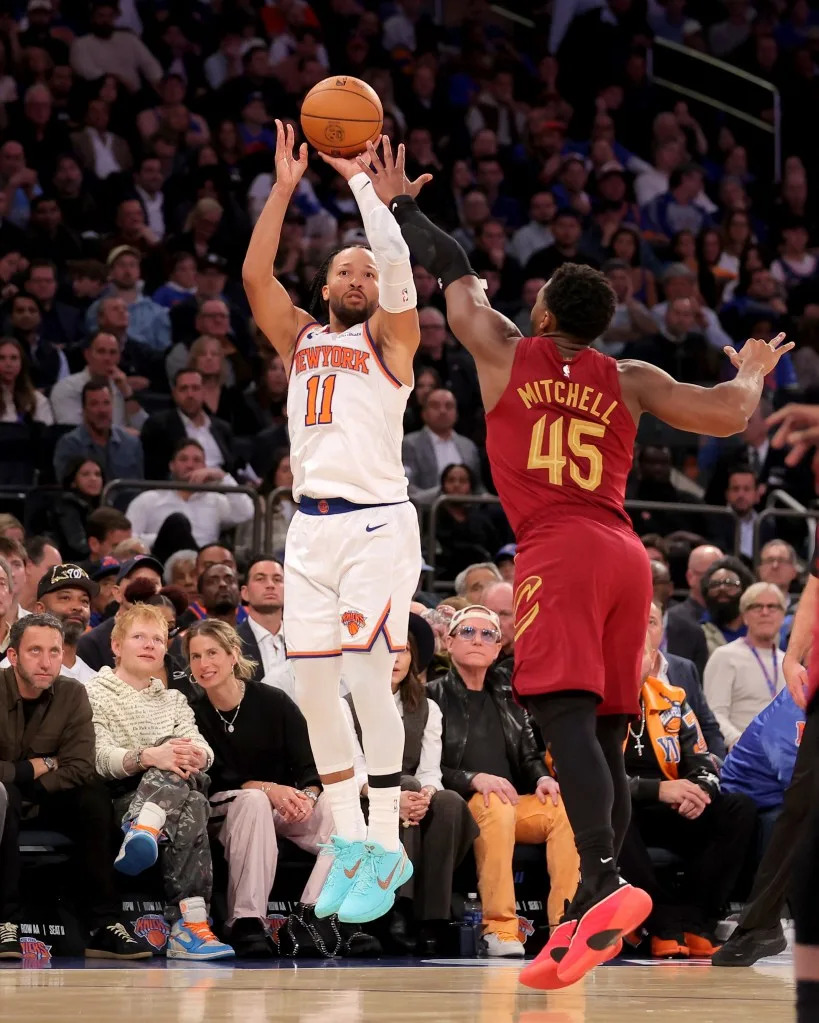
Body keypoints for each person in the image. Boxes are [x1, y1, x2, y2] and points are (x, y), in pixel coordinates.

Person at [376, 149, 794, 986]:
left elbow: (455, 275)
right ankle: (574, 916)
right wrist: (749, 370)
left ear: (538, 308)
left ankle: (601, 876)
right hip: (625, 554)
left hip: (558, 547)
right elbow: (725, 413)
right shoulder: (629, 375)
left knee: (562, 713)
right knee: (604, 725)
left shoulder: (503, 349)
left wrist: (400, 208)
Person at [242, 125, 422, 925]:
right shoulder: (303, 339)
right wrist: (283, 188)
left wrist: (362, 192)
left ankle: (385, 833)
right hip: (308, 530)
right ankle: (351, 839)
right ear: (324, 286)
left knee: (361, 677)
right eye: (343, 268)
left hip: (378, 524)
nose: (358, 274)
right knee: (312, 690)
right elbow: (254, 277)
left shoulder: (392, 340)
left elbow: (401, 273)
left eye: (366, 269)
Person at [428, 605, 580, 958]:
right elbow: (427, 766)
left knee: (562, 809)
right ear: (448, 643)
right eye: (467, 632)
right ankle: (499, 927)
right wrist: (473, 778)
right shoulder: (432, 695)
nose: (477, 640)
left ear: (498, 648)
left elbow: (528, 755)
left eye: (487, 635)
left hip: (512, 803)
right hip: (460, 803)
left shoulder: (510, 697)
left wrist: (542, 777)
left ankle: (564, 927)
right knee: (495, 804)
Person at [86, 603, 234, 960]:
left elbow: (203, 748)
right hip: (120, 796)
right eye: (139, 637)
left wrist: (196, 755)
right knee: (187, 791)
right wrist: (149, 756)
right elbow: (99, 758)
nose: (150, 644)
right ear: (117, 646)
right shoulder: (93, 692)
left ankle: (145, 828)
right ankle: (190, 926)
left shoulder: (173, 698)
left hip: (167, 797)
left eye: (157, 638)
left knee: (183, 767)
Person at [0, 613, 150, 961]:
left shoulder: (72, 692)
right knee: (5, 797)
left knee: (93, 796)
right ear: (12, 656)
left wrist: (33, 779)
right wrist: (33, 768)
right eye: (35, 651)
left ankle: (103, 925)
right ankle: (5, 921)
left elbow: (80, 766)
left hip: (46, 796)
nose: (47, 661)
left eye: (54, 651)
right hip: (6, 798)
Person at [186, 619, 333, 958]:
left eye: (212, 653)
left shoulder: (273, 701)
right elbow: (215, 777)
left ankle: (313, 916)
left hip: (282, 804)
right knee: (253, 800)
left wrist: (308, 798)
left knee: (339, 815)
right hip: (226, 808)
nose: (204, 664)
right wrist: (268, 789)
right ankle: (247, 920)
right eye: (195, 657)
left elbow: (310, 767)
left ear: (233, 654)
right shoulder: (192, 712)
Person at [343, 612, 478, 953]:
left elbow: (430, 772)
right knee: (406, 785)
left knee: (447, 801)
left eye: (402, 651)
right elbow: (354, 770)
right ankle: (396, 907)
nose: (395, 659)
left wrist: (425, 794)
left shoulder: (428, 708)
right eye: (386, 652)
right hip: (363, 799)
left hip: (411, 797)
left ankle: (432, 917)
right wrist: (394, 796)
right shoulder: (347, 706)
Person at [618, 634, 756, 959]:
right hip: (626, 807)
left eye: (637, 655)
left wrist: (699, 791)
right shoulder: (591, 705)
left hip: (674, 806)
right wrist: (658, 789)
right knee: (611, 810)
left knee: (739, 809)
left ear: (652, 663)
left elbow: (704, 761)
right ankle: (661, 922)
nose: (627, 662)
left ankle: (696, 922)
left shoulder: (673, 699)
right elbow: (589, 779)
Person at [125, 438, 254, 551]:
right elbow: (127, 538)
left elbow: (246, 513)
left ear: (205, 466)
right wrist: (161, 537)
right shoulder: (149, 499)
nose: (190, 465)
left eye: (197, 460)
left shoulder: (216, 501)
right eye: (183, 459)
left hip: (203, 562)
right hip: (163, 560)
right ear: (172, 466)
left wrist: (222, 476)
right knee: (177, 524)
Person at [704, 582, 787, 749]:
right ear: (745, 616)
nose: (765, 612)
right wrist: (743, 744)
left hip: (783, 756)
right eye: (757, 607)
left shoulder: (788, 662)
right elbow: (715, 714)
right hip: (741, 756)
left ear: (782, 615)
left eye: (772, 607)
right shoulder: (725, 656)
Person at [0, 563, 96, 683]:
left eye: (84, 601)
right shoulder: (12, 671)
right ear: (40, 609)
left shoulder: (95, 680)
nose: (77, 607)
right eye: (65, 598)